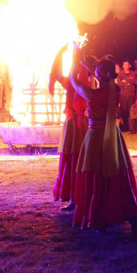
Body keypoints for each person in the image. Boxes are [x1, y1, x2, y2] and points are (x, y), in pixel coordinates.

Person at [70, 49, 137, 238]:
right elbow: (105, 77)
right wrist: (89, 66)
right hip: (113, 137)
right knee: (115, 176)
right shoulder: (115, 89)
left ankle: (99, 216)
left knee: (96, 177)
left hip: (96, 137)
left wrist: (74, 62)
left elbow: (73, 82)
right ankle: (128, 216)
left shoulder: (92, 95)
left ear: (99, 75)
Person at [50, 46, 88, 211]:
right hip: (76, 123)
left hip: (82, 124)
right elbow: (58, 74)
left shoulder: (86, 84)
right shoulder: (74, 83)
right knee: (72, 160)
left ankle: (81, 197)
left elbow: (57, 73)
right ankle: (74, 197)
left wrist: (60, 53)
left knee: (78, 160)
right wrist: (60, 53)